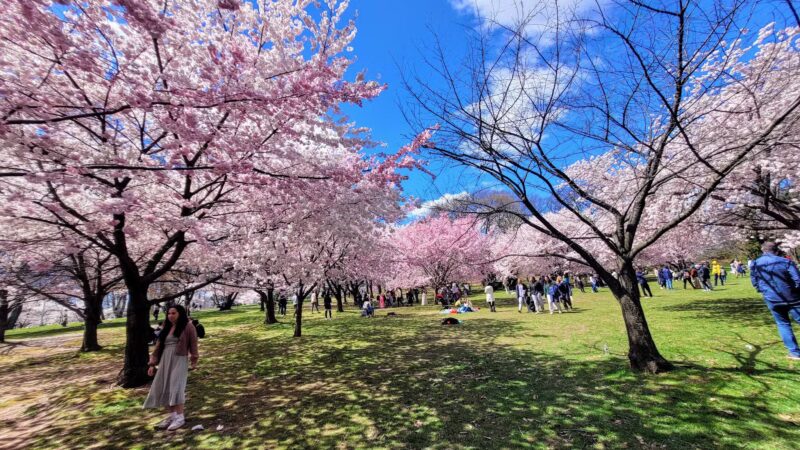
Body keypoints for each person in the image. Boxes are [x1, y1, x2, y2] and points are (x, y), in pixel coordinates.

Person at [144, 305, 199, 431]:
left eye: (173, 313)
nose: (170, 316)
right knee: (164, 386)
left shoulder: (188, 326)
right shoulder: (166, 326)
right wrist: (152, 364)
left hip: (179, 359)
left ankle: (180, 417)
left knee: (176, 387)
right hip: (165, 359)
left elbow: (193, 343)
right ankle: (172, 416)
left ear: (180, 313)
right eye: (169, 313)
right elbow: (158, 347)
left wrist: (194, 359)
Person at [751, 242, 800, 360]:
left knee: (783, 324)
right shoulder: (785, 262)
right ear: (776, 250)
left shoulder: (755, 264)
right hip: (792, 297)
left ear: (763, 250)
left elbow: (754, 281)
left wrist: (763, 290)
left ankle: (794, 353)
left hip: (772, 298)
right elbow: (798, 279)